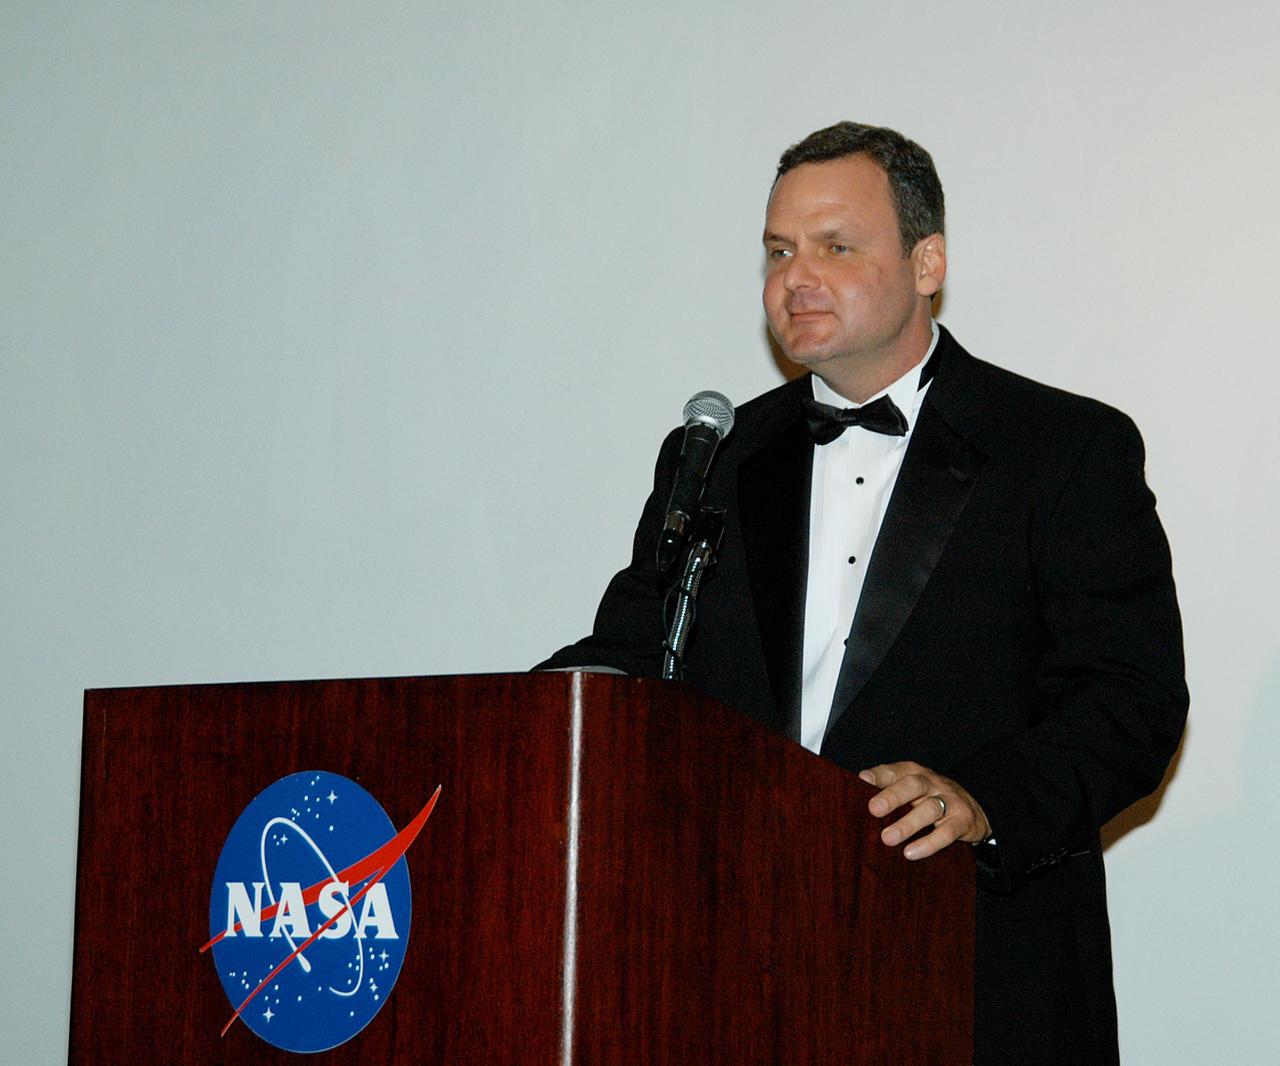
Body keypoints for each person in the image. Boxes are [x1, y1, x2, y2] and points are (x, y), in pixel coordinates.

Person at [538, 121, 1187, 1064]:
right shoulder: (714, 458)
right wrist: (514, 715)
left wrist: (981, 800)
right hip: (734, 976)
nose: (795, 277)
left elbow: (1129, 700)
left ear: (929, 262)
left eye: (836, 246)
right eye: (778, 250)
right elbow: (637, 656)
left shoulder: (1062, 448)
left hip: (973, 970)